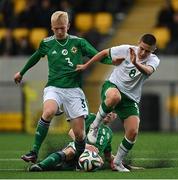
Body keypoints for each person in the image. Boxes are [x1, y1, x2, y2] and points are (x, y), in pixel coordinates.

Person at [14, 11, 111, 164]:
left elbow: (98, 55)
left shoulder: (79, 42)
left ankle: (79, 158)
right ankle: (34, 152)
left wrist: (115, 61)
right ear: (52, 28)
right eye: (56, 28)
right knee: (49, 111)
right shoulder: (46, 43)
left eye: (62, 28)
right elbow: (36, 56)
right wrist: (22, 72)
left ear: (68, 26)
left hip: (74, 91)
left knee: (79, 135)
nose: (59, 31)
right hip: (54, 88)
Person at [76, 33, 160, 172]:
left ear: (153, 50)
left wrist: (135, 63)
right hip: (112, 87)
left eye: (148, 51)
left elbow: (147, 71)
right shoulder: (127, 49)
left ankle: (117, 163)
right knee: (115, 97)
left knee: (133, 132)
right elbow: (103, 53)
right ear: (138, 42)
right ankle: (94, 127)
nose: (144, 52)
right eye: (142, 48)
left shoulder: (154, 60)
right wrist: (86, 65)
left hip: (131, 98)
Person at [29, 112, 117, 171]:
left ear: (115, 117)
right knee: (70, 152)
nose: (110, 113)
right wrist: (85, 146)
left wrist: (117, 161)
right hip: (79, 147)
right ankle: (40, 166)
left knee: (97, 162)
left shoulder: (109, 133)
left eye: (113, 112)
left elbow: (108, 156)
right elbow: (71, 132)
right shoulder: (92, 118)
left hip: (92, 158)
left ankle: (75, 166)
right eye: (109, 110)